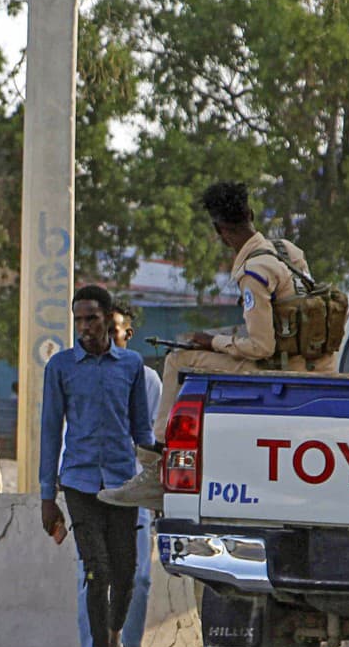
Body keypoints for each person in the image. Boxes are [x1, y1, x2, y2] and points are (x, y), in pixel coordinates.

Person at [99, 181, 328, 511]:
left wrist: (213, 342)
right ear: (250, 214)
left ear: (220, 231)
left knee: (178, 359)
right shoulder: (286, 251)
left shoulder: (254, 271)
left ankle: (156, 462)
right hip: (308, 361)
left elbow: (262, 346)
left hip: (275, 367)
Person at [40, 285, 155, 647]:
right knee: (96, 571)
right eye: (79, 319)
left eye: (91, 318)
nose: (84, 327)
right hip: (79, 482)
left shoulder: (132, 366)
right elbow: (51, 432)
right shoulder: (61, 367)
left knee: (126, 575)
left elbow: (142, 430)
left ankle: (114, 635)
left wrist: (156, 483)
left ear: (108, 319)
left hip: (123, 484)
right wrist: (46, 496)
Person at [71, 303, 161, 647]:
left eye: (117, 330)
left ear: (128, 334)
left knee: (137, 577)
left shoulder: (147, 379)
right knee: (91, 575)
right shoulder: (75, 372)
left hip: (132, 487)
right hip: (90, 485)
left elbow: (149, 437)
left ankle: (131, 641)